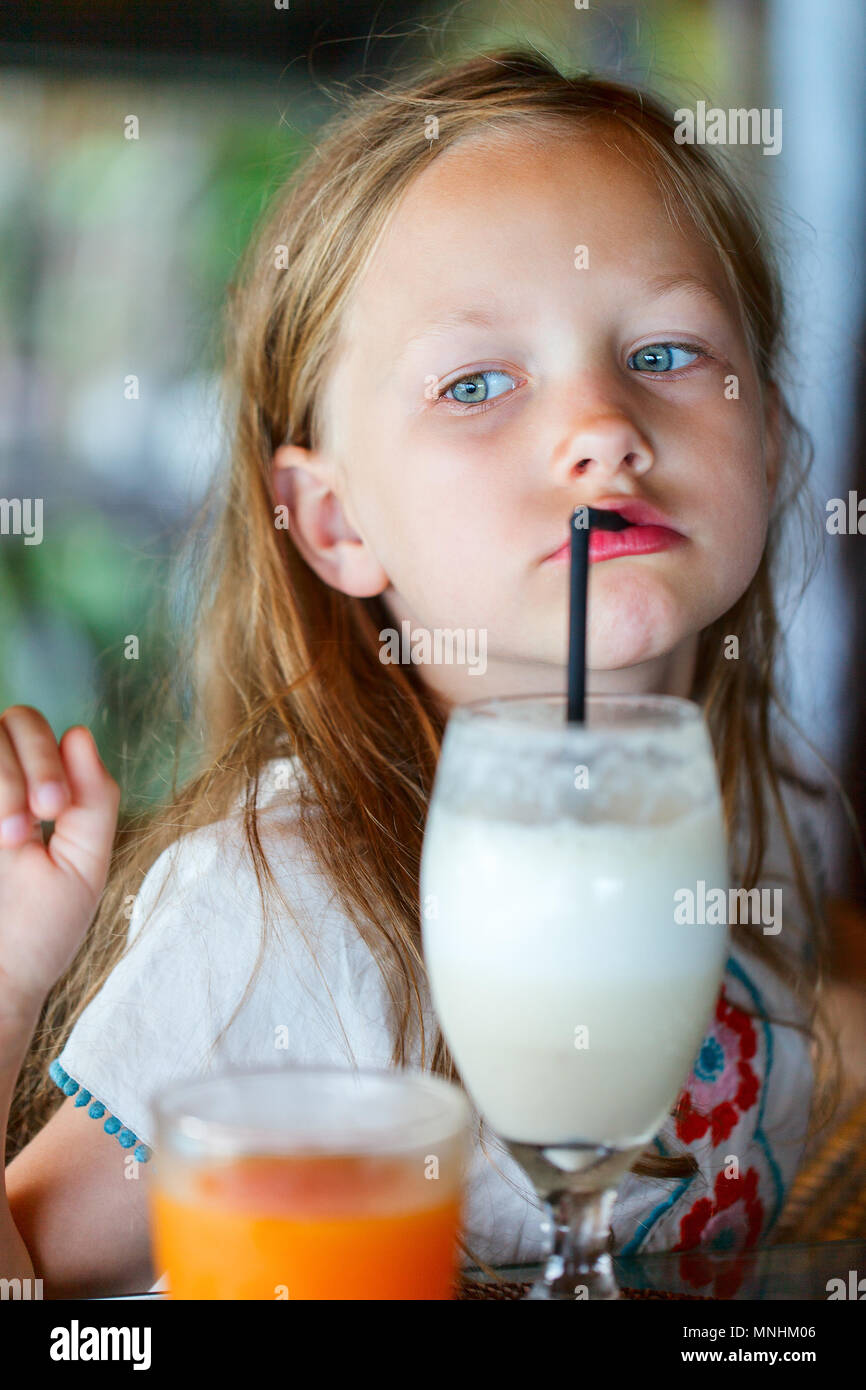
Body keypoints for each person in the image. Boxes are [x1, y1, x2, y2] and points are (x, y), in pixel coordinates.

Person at [0, 48, 845, 1298]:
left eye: (662, 353)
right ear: (335, 523)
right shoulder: (287, 909)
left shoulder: (738, 838)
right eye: (476, 383)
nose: (600, 426)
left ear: (769, 442)